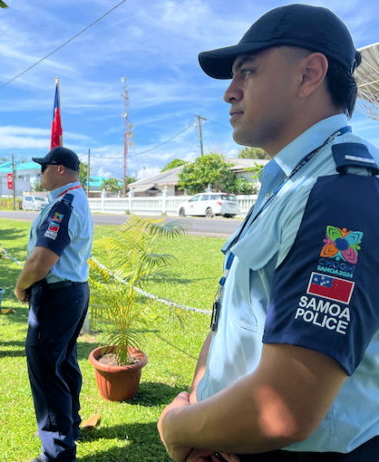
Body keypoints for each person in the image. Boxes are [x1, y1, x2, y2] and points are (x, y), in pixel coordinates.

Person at [158, 4, 379, 462]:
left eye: (248, 72)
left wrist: (176, 426)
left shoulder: (339, 195)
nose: (229, 93)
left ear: (309, 75)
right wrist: (201, 406)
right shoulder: (287, 181)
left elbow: (284, 410)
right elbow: (231, 317)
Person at [15, 146, 93, 462]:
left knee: (47, 369)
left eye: (44, 167)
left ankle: (57, 452)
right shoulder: (71, 199)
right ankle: (70, 425)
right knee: (63, 361)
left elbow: (41, 260)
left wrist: (21, 287)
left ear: (60, 169)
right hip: (72, 291)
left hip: (57, 294)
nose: (40, 172)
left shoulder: (65, 205)